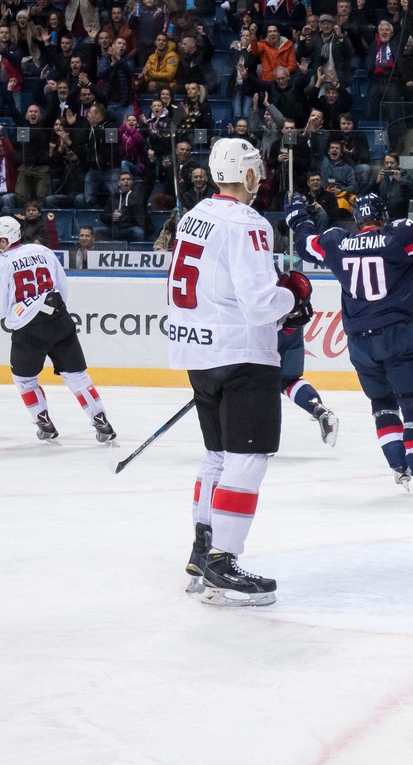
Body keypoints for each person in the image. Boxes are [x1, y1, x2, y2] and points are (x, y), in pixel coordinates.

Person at [166, 138, 314, 607]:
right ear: (247, 176)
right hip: (243, 355)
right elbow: (259, 304)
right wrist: (292, 297)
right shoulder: (248, 223)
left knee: (216, 455)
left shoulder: (194, 216)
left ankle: (203, 547)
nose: (262, 179)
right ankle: (223, 561)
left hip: (198, 353)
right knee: (247, 458)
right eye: (258, 172)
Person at [284, 175, 413, 500]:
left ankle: (399, 467)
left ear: (356, 219)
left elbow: (305, 246)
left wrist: (298, 217)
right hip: (397, 335)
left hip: (359, 342)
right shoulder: (400, 234)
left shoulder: (337, 242)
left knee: (382, 403)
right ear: (383, 217)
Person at [0, 216, 116, 445]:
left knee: (25, 380)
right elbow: (61, 286)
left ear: (5, 240)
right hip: (59, 318)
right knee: (78, 378)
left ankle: (44, 423)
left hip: (29, 330)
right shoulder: (42, 251)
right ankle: (102, 422)